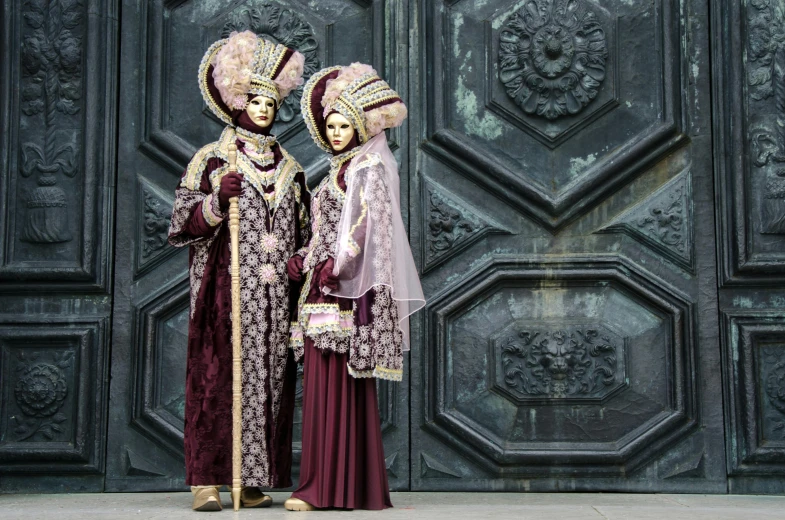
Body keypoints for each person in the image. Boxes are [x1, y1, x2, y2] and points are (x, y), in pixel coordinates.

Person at [167, 31, 309, 511]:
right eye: (254, 98)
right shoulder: (212, 160)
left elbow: (307, 232)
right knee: (215, 383)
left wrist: (303, 260)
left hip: (274, 302)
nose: (264, 108)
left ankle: (250, 478)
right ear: (234, 101)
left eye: (271, 101)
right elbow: (180, 223)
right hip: (223, 297)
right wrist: (216, 200)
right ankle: (206, 480)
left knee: (269, 387)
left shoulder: (292, 167)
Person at [284, 63, 425, 511]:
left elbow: (363, 229)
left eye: (347, 125)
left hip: (341, 293)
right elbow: (327, 231)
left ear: (362, 126)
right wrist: (306, 259)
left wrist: (335, 265)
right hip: (324, 290)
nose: (339, 132)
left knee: (334, 385)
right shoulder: (342, 167)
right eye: (332, 126)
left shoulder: (366, 167)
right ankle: (342, 485)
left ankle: (326, 488)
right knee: (327, 383)